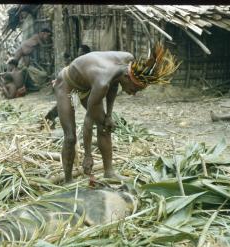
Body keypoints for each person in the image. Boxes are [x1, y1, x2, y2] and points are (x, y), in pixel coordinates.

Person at [52, 43, 180, 183]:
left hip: (89, 84)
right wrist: (88, 155)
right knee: (70, 137)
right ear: (127, 77)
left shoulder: (127, 61)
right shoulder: (102, 82)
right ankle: (68, 179)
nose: (134, 94)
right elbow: (88, 119)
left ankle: (109, 172)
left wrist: (109, 116)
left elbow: (114, 84)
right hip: (67, 85)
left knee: (105, 127)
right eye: (134, 89)